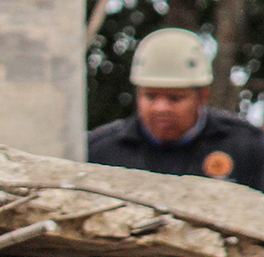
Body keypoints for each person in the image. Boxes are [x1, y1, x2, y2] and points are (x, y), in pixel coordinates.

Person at [87, 28, 264, 188]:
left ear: (202, 96)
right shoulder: (99, 152)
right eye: (150, 96)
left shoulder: (248, 148)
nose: (161, 108)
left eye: (175, 98)